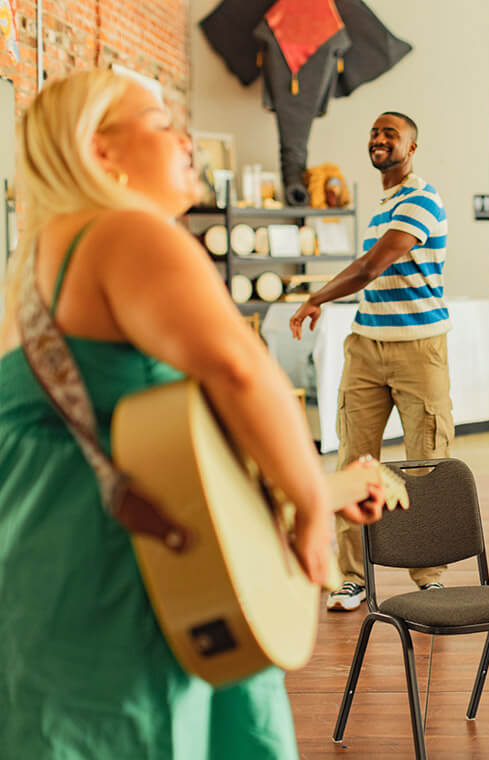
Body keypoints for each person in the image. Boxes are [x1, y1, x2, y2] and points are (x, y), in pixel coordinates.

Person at [0, 70, 384, 758]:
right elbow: (241, 371)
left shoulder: (31, 261)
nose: (186, 139)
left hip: (43, 555)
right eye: (159, 122)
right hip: (139, 573)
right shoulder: (124, 233)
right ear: (99, 149)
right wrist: (308, 506)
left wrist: (323, 489)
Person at [290, 110, 452, 610]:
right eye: (375, 133)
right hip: (365, 344)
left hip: (417, 348)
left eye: (391, 134)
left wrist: (315, 297)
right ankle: (352, 576)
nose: (380, 139)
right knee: (353, 460)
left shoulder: (421, 199)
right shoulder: (384, 205)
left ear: (412, 147)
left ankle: (429, 576)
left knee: (426, 460)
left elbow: (369, 267)